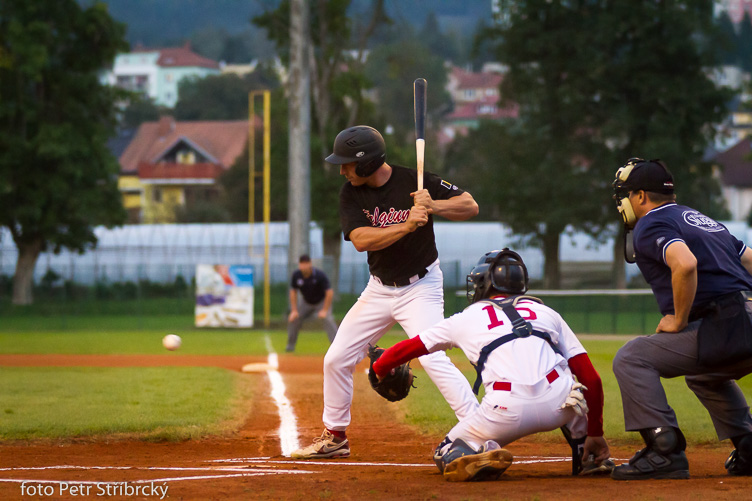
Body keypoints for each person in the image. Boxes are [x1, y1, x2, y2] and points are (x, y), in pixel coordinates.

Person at [291, 125, 480, 459]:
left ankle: (480, 431)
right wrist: (407, 223)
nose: (341, 170)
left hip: (421, 288)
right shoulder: (350, 194)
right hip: (378, 290)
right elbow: (362, 240)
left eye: (347, 163)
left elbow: (469, 206)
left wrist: (433, 205)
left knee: (433, 358)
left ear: (366, 163)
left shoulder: (414, 181)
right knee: (336, 358)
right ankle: (335, 437)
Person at [370, 249, 612, 481]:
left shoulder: (466, 318)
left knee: (444, 453)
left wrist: (380, 368)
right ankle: (588, 456)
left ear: (485, 284)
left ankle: (482, 450)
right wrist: (596, 433)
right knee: (571, 386)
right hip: (559, 405)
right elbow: (592, 379)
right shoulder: (546, 312)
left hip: (506, 411)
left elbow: (411, 347)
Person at [610, 158, 752, 480]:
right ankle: (748, 446)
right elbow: (749, 258)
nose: (623, 202)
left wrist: (678, 319)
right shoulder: (700, 218)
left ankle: (664, 451)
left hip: (725, 324)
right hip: (745, 316)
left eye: (626, 194)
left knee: (631, 358)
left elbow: (685, 264)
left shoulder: (650, 223)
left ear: (642, 196)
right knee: (704, 375)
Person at [286, 254, 338, 353]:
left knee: (328, 318)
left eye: (306, 264)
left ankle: (336, 346)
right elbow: (293, 291)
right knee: (294, 318)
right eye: (301, 264)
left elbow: (329, 293)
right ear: (299, 265)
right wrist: (294, 310)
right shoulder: (296, 275)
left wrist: (325, 310)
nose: (303, 266)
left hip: (321, 302)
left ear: (310, 264)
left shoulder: (319, 275)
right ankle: (290, 346)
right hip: (306, 302)